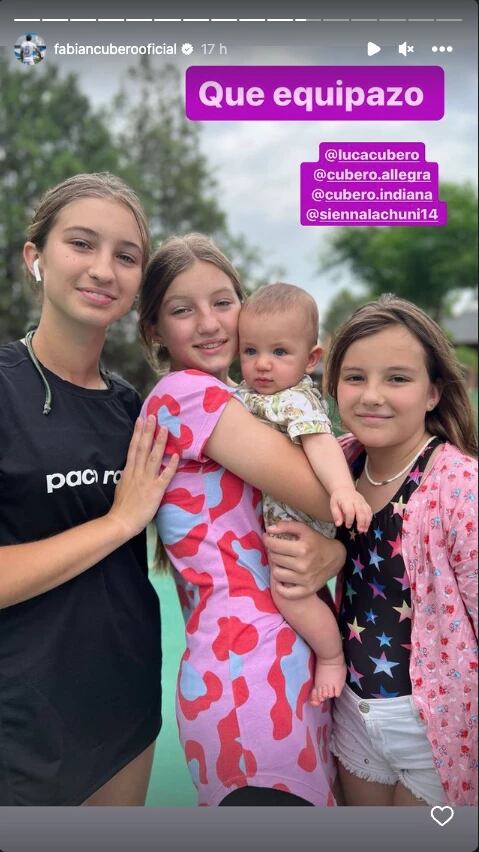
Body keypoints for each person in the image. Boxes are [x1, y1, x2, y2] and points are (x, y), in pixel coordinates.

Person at [138, 233, 347, 807]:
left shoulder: (243, 398)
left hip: (292, 665)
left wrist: (335, 554)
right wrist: (344, 539)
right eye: (183, 310)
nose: (209, 323)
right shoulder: (185, 395)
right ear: (154, 329)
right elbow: (328, 493)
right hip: (245, 682)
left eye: (222, 302)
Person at [0, 173, 178, 806]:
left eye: (126, 257)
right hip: (22, 724)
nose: (104, 269)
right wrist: (118, 522)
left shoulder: (138, 411)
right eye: (81, 244)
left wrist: (327, 546)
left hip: (125, 706)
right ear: (36, 258)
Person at [270, 294, 477, 807]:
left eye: (398, 379)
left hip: (435, 729)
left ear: (434, 393)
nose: (372, 396)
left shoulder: (460, 488)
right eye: (355, 377)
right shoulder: (334, 466)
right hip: (352, 715)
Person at [236, 283, 371, 703]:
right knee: (300, 589)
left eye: (279, 352)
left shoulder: (294, 401)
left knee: (289, 592)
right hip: (284, 516)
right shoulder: (257, 395)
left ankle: (331, 657)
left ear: (311, 359)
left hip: (302, 519)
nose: (262, 364)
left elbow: (321, 443)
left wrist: (343, 491)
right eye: (250, 350)